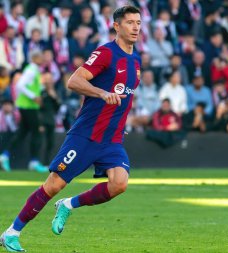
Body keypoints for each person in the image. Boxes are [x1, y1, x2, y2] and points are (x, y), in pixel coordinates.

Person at [0, 6, 142, 252]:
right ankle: (11, 233)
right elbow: (74, 80)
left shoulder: (136, 60)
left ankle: (68, 205)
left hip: (112, 139)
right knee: (53, 184)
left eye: (138, 22)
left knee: (119, 184)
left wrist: (119, 124)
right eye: (129, 22)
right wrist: (101, 93)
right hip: (86, 135)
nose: (136, 27)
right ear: (117, 26)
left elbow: (124, 98)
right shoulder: (106, 53)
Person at [0, 50, 46, 172]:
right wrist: (33, 96)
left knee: (22, 133)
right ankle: (34, 161)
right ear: (35, 58)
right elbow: (20, 85)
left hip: (26, 105)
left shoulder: (33, 70)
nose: (43, 59)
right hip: (28, 106)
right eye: (40, 56)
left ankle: (5, 155)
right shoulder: (31, 70)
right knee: (36, 132)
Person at [40, 72, 60, 165]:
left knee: (50, 143)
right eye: (47, 79)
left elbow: (57, 108)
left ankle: (47, 163)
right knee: (42, 143)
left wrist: (54, 97)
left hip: (51, 121)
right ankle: (39, 163)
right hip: (42, 121)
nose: (48, 81)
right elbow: (38, 108)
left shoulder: (54, 92)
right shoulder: (40, 92)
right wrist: (39, 123)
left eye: (50, 79)